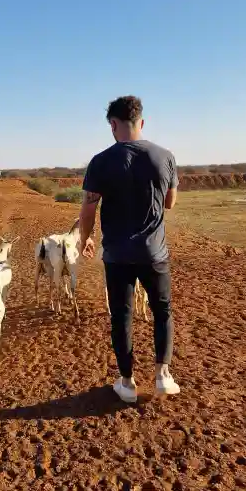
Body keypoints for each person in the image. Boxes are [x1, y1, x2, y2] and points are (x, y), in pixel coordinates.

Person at [78, 95, 180, 404]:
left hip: (118, 255)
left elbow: (88, 208)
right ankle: (162, 376)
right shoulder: (165, 156)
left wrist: (86, 238)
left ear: (113, 124)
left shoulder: (100, 161)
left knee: (121, 316)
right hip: (154, 253)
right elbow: (170, 202)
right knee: (162, 311)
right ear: (142, 122)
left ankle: (127, 382)